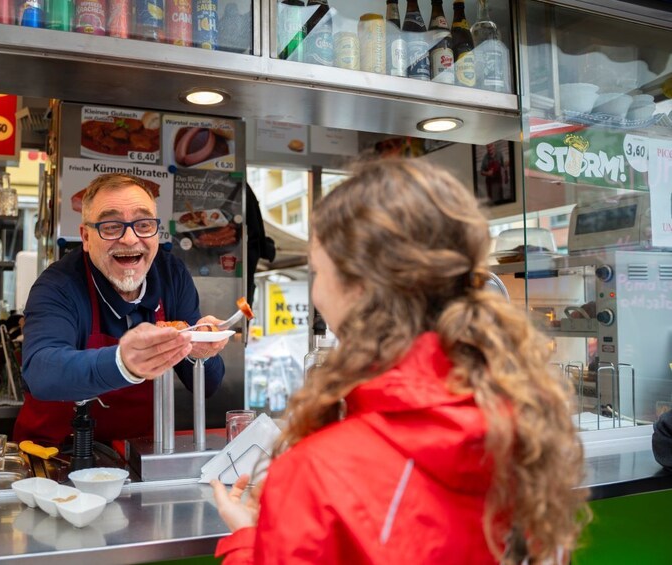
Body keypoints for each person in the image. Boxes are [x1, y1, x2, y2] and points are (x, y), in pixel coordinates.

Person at [212, 159, 587, 564]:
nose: (316, 292)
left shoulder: (316, 473)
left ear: (358, 288)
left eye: (318, 271)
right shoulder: (528, 424)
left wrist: (248, 542)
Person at [15, 173, 229, 448]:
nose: (129, 239)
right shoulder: (58, 285)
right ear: (86, 237)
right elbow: (41, 372)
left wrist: (202, 353)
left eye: (144, 224)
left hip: (137, 453)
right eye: (111, 226)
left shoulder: (171, 275)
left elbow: (209, 385)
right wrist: (123, 363)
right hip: (56, 456)